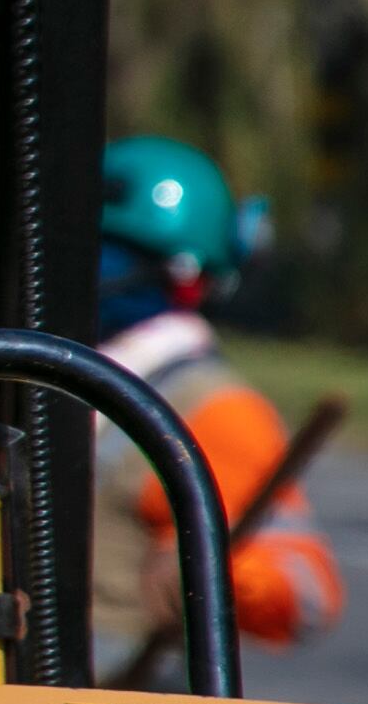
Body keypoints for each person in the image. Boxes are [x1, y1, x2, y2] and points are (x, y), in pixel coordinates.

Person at [96, 135, 342, 656]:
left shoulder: (212, 408)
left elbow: (305, 590)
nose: (96, 270)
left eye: (119, 255)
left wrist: (211, 565)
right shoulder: (57, 367)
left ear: (185, 277)